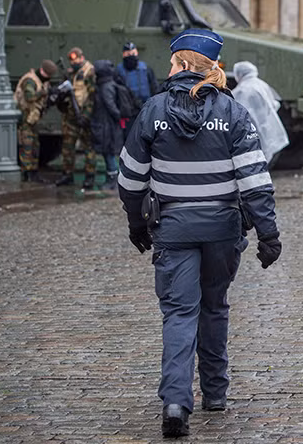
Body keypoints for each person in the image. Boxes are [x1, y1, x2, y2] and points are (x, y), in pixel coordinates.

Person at [118, 28, 282, 437]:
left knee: (179, 312)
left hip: (172, 228)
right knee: (215, 306)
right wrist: (268, 232)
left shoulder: (152, 110)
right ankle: (215, 392)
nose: (168, 66)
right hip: (223, 229)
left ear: (183, 66)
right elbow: (254, 179)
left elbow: (130, 178)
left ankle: (176, 402)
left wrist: (137, 223)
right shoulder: (232, 111)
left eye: (172, 61)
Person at [232, 61, 289, 167]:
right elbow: (275, 104)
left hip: (254, 133)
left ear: (239, 74)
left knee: (257, 164)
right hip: (270, 128)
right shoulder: (262, 84)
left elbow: (235, 114)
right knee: (266, 161)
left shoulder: (241, 90)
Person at [56, 47, 97, 189]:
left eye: (76, 59)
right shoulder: (69, 73)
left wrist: (86, 115)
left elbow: (92, 96)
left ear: (82, 57)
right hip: (70, 115)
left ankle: (89, 176)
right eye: (71, 60)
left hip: (84, 115)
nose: (74, 62)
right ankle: (67, 174)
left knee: (88, 147)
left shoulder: (89, 71)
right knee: (68, 146)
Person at [14, 59, 58, 182]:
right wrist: (43, 93)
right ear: (43, 71)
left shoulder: (41, 81)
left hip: (33, 119)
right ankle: (26, 173)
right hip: (25, 119)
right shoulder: (30, 80)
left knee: (34, 146)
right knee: (26, 146)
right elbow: (30, 97)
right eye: (47, 75)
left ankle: (33, 171)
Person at [116, 41, 159, 140]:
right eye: (128, 54)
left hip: (145, 109)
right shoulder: (119, 71)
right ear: (123, 55)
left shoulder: (146, 69)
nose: (131, 55)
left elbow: (154, 88)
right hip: (128, 113)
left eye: (133, 53)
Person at [91, 60, 123, 190]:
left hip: (106, 124)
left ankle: (113, 178)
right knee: (107, 151)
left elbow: (110, 105)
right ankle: (112, 177)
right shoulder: (108, 84)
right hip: (105, 123)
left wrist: (117, 116)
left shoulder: (105, 87)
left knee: (108, 151)